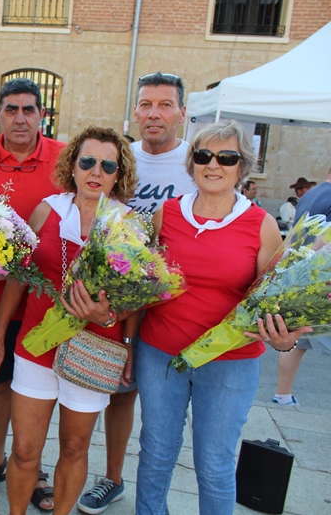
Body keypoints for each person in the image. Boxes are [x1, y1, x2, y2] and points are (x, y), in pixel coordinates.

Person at [135, 120, 312, 515]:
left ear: (242, 166)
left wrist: (286, 338)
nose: (213, 165)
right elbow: (141, 282)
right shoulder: (166, 214)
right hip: (160, 354)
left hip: (229, 363)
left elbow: (278, 300)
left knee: (214, 464)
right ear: (192, 163)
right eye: (203, 156)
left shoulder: (262, 225)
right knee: (155, 452)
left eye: (226, 157)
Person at [0, 126, 138, 515]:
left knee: (74, 447)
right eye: (87, 161)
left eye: (108, 165)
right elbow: (18, 277)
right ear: (72, 166)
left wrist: (116, 323)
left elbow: (137, 300)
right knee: (25, 449)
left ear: (118, 174)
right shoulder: (45, 211)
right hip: (36, 345)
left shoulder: (128, 224)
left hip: (94, 348)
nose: (96, 171)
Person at [78, 71, 196, 514]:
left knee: (164, 415)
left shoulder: (196, 162)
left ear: (182, 112)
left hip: (174, 304)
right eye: (146, 104)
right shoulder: (121, 159)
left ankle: (154, 492)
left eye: (165, 105)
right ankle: (112, 479)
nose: (154, 113)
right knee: (119, 391)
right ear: (135, 111)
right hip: (121, 301)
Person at [0, 77, 65, 510]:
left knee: (40, 390)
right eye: (11, 109)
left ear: (42, 115)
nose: (20, 118)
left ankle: (32, 465)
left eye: (28, 109)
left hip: (47, 303)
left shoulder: (64, 159)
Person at [272, 166, 331, 406]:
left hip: (298, 274)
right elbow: (325, 242)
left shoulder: (310, 194)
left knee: (297, 341)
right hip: (320, 280)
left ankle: (282, 395)